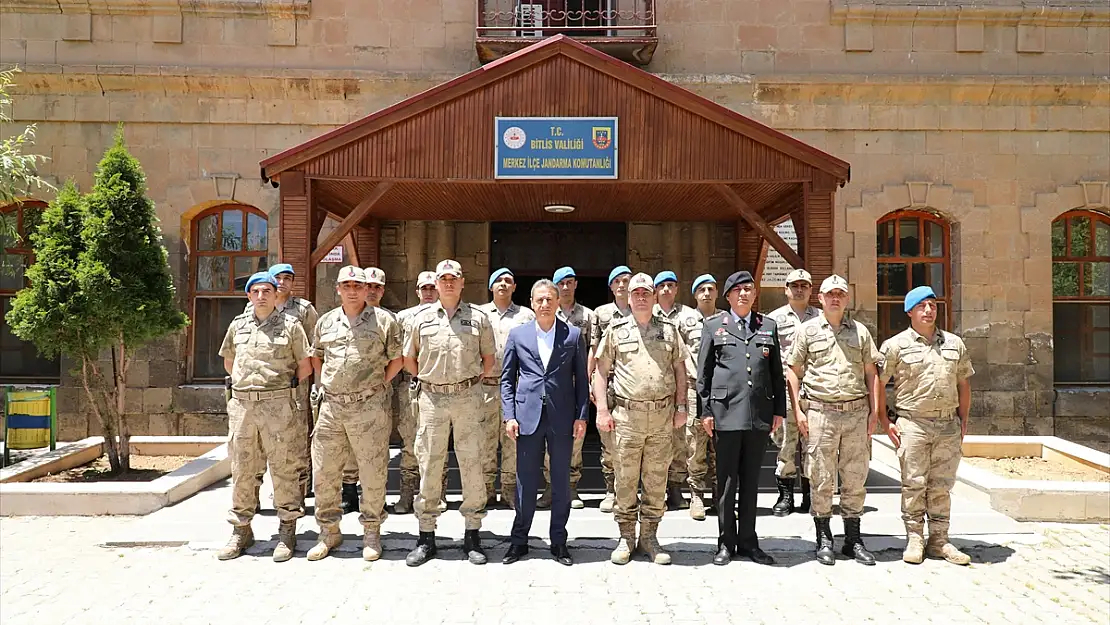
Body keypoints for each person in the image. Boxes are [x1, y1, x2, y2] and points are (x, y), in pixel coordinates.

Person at [305, 266, 404, 562]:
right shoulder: (325, 321)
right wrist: (327, 386)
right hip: (332, 408)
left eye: (357, 285)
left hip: (369, 408)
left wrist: (373, 387)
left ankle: (371, 532)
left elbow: (397, 361)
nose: (352, 290)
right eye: (346, 285)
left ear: (366, 289)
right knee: (324, 472)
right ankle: (328, 532)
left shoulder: (384, 321)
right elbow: (317, 357)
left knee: (373, 472)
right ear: (338, 289)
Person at [403, 259, 495, 567]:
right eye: (443, 279)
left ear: (462, 281)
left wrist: (466, 383)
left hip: (468, 397)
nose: (448, 284)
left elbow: (488, 360)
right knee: (429, 464)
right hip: (431, 399)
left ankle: (472, 534)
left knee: (472, 464)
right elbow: (409, 360)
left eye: (453, 278)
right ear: (437, 284)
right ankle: (426, 536)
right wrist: (431, 382)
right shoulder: (421, 318)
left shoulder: (478, 318)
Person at [593, 272, 688, 566]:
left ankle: (650, 537)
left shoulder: (670, 331)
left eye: (647, 292)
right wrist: (602, 410)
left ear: (655, 296)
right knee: (625, 479)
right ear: (629, 297)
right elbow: (600, 371)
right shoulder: (615, 330)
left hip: (661, 417)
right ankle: (625, 537)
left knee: (656, 480)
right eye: (637, 293)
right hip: (627, 417)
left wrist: (681, 406)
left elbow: (680, 372)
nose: (642, 297)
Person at [786, 275, 881, 566]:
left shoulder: (861, 332)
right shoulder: (807, 331)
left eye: (841, 294)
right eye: (830, 294)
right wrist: (799, 411)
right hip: (820, 413)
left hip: (854, 412)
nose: (836, 299)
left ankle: (853, 539)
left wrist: (874, 411)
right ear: (821, 299)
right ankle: (824, 538)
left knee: (854, 477)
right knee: (821, 477)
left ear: (847, 299)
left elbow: (871, 372)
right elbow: (793, 371)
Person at [217, 271, 312, 562]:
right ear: (249, 295)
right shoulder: (238, 325)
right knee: (243, 470)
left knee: (283, 468)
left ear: (275, 295)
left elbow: (305, 365)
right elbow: (229, 361)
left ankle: (287, 529)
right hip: (244, 407)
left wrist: (279, 390)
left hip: (279, 406)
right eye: (256, 291)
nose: (261, 296)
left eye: (267, 291)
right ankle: (241, 530)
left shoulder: (292, 326)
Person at [876, 286, 973, 566]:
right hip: (913, 423)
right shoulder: (895, 346)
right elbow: (880, 384)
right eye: (921, 306)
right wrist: (884, 419)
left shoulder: (955, 344)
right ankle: (915, 538)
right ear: (909, 312)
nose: (928, 311)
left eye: (932, 305)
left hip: (947, 424)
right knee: (914, 484)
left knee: (942, 485)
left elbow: (964, 383)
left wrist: (963, 420)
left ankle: (939, 540)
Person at [697, 271, 785, 566]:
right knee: (726, 482)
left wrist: (778, 411)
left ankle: (748, 541)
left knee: (751, 482)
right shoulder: (713, 327)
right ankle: (725, 542)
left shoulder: (767, 326)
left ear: (754, 295)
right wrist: (706, 411)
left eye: (749, 289)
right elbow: (704, 374)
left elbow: (776, 373)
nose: (744, 294)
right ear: (729, 296)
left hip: (757, 415)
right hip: (725, 414)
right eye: (738, 290)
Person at [500, 279, 589, 566]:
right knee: (525, 482)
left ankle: (559, 541)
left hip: (562, 417)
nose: (545, 304)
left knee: (561, 483)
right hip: (527, 418)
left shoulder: (573, 336)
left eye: (550, 299)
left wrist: (581, 415)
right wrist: (509, 415)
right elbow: (507, 380)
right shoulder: (518, 335)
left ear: (557, 301)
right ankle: (519, 541)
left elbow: (581, 383)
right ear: (531, 302)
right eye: (539, 300)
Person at [244, 263, 318, 502]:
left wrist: (301, 380)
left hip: (295, 384)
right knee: (255, 443)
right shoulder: (250, 308)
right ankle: (253, 495)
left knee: (297, 437)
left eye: (288, 278)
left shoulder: (304, 309)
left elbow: (312, 349)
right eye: (279, 278)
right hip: (259, 388)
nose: (283, 282)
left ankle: (298, 491)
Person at [478, 268, 535, 509]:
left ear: (514, 287)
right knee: (485, 442)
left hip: (515, 387)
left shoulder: (526, 316)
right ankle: (487, 490)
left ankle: (510, 491)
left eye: (508, 281)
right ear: (491, 287)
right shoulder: (478, 314)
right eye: (498, 281)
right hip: (484, 388)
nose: (503, 284)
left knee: (513, 441)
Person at [767, 268, 821, 517]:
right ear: (785, 289)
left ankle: (810, 494)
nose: (799, 289)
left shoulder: (822, 318)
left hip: (816, 389)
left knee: (813, 443)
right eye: (794, 285)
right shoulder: (773, 320)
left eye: (804, 285)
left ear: (811, 290)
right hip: (786, 388)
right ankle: (785, 495)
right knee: (786, 443)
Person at [394, 271, 448, 515]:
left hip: (440, 388)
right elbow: (398, 353)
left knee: (439, 441)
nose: (428, 293)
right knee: (409, 441)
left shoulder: (449, 315)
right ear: (417, 291)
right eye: (423, 289)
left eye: (431, 288)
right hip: (412, 387)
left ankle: (439, 493)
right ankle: (407, 493)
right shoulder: (403, 318)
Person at [540, 266, 594, 510]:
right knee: (549, 438)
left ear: (575, 285)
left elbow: (593, 348)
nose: (565, 287)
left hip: (576, 385)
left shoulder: (588, 316)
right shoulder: (546, 313)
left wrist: (588, 376)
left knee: (576, 437)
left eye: (569, 282)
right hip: (553, 385)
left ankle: (571, 488)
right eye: (560, 283)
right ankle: (551, 488)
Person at [652, 270, 702, 512]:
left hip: (687, 386)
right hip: (657, 389)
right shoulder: (646, 316)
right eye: (661, 286)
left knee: (685, 440)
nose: (666, 290)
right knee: (657, 441)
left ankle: (680, 489)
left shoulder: (690, 316)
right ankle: (656, 491)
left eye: (671, 285)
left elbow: (698, 352)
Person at [588, 265, 634, 513]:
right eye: (617, 281)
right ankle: (610, 490)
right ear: (611, 287)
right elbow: (594, 350)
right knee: (608, 439)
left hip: (633, 383)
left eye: (626, 280)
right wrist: (589, 380)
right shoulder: (602, 313)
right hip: (609, 380)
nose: (622, 285)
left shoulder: (643, 310)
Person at [686, 274, 723, 520]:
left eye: (710, 289)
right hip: (693, 389)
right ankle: (696, 495)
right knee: (695, 443)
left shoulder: (727, 320)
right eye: (701, 289)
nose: (707, 293)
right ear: (695, 294)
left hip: (721, 390)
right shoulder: (685, 321)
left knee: (720, 443)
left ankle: (720, 494)